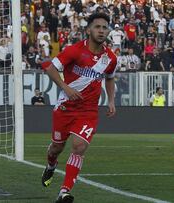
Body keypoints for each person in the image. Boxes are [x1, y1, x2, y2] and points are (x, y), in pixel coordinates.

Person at [41, 13, 117, 203]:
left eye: (104, 27)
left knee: (79, 146)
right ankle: (51, 166)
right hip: (65, 108)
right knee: (56, 148)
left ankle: (64, 191)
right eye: (97, 27)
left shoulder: (110, 59)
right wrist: (65, 87)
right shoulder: (74, 50)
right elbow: (50, 67)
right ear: (89, 29)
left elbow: (109, 78)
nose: (101, 31)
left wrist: (111, 101)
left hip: (88, 111)